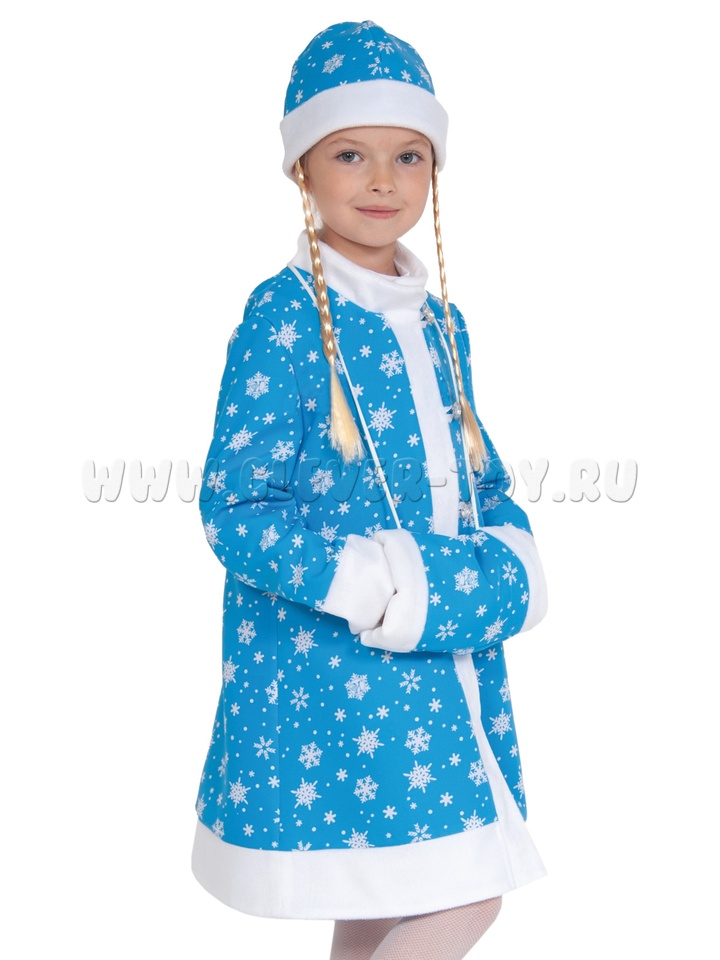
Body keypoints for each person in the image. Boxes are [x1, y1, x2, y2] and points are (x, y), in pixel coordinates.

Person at [192, 20, 548, 960]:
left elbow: (481, 477)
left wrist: (510, 556)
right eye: (351, 154)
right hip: (333, 671)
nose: (383, 180)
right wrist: (375, 584)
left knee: (387, 896)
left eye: (408, 156)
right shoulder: (282, 316)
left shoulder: (442, 323)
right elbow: (236, 508)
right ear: (302, 169)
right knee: (465, 893)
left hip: (447, 655)